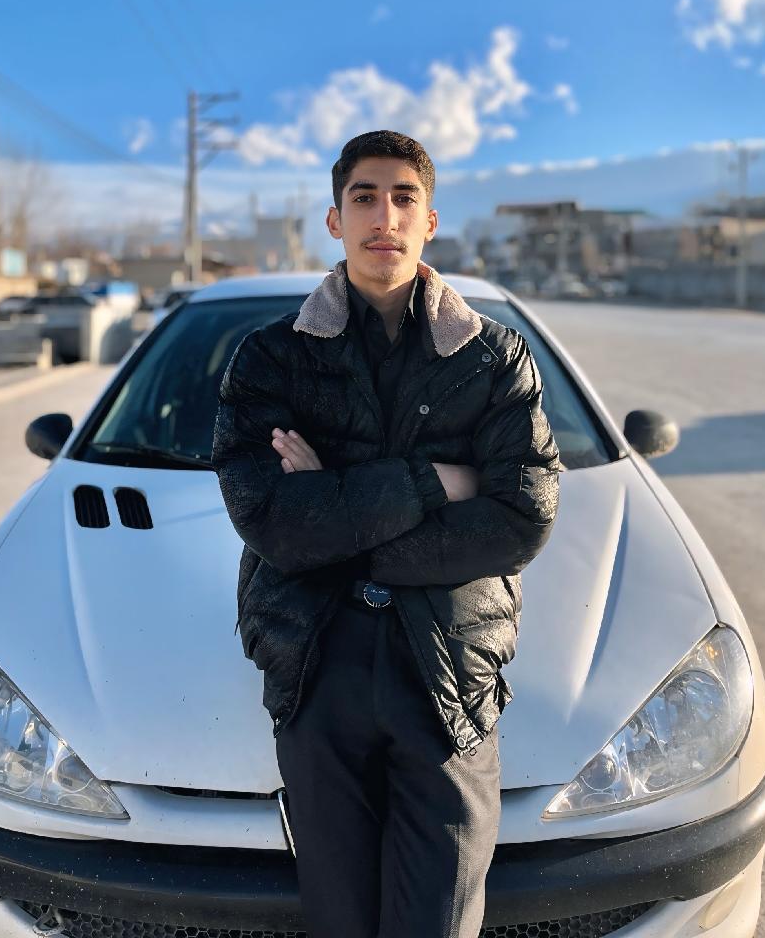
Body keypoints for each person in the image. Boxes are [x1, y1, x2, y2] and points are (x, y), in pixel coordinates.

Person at [212, 129, 561, 938]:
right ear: (335, 220)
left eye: (404, 198)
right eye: (364, 197)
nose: (385, 216)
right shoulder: (270, 360)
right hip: (315, 661)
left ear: (429, 220)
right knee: (341, 917)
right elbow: (271, 521)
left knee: (438, 921)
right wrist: (436, 481)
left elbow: (523, 514)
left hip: (447, 668)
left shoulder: (494, 357)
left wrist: (334, 510)